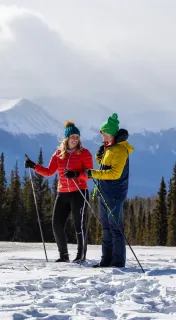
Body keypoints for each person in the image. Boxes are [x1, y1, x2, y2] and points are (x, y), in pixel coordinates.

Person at [25, 121, 93, 263]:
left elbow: (89, 174)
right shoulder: (58, 154)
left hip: (79, 192)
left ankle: (81, 255)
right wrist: (34, 166)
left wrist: (75, 174)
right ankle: (64, 255)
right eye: (72, 136)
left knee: (78, 225)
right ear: (66, 138)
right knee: (56, 224)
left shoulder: (84, 153)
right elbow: (49, 172)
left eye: (77, 136)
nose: (75, 139)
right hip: (63, 193)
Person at [84, 113, 133, 268]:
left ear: (113, 134)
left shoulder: (120, 150)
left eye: (106, 135)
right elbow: (106, 167)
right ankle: (106, 260)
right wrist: (99, 159)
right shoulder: (109, 148)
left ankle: (118, 262)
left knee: (115, 227)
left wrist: (92, 173)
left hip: (115, 194)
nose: (103, 138)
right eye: (102, 135)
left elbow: (114, 173)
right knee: (106, 228)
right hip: (105, 192)